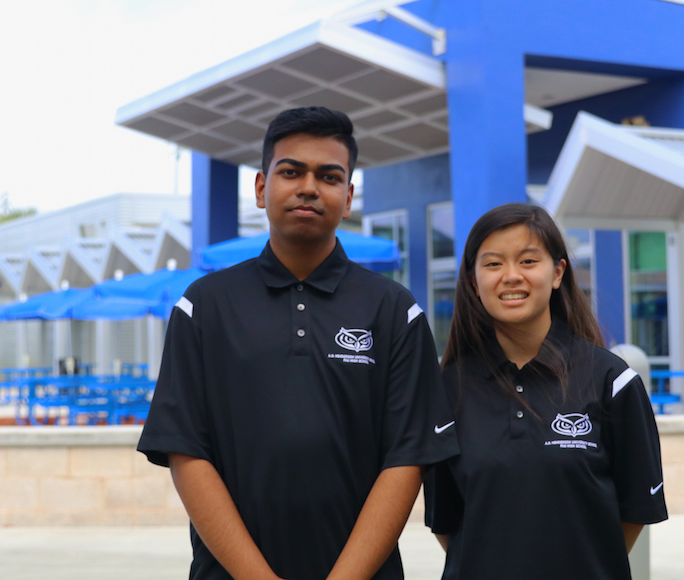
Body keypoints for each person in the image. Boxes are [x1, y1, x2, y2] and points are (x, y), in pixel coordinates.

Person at [138, 107, 459, 580]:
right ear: (262, 188)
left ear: (348, 198)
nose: (309, 187)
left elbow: (407, 459)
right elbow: (187, 452)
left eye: (329, 176)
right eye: (291, 172)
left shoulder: (394, 310)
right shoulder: (204, 306)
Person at [424, 203, 667, 580]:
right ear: (473, 281)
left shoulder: (612, 381)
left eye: (527, 261)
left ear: (557, 273)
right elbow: (447, 523)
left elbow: (634, 512)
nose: (511, 276)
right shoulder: (446, 389)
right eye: (493, 264)